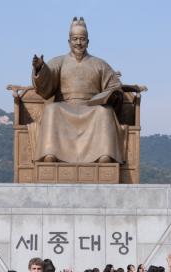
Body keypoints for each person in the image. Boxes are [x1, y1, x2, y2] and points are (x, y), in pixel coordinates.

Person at [30, 17, 126, 164]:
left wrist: (113, 93)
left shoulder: (100, 64)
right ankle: (50, 153)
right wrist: (39, 68)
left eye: (82, 39)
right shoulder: (58, 62)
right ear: (69, 41)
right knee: (51, 110)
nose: (78, 43)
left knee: (104, 112)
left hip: (92, 107)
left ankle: (104, 155)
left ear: (88, 41)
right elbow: (45, 85)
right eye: (75, 39)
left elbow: (114, 85)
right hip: (65, 106)